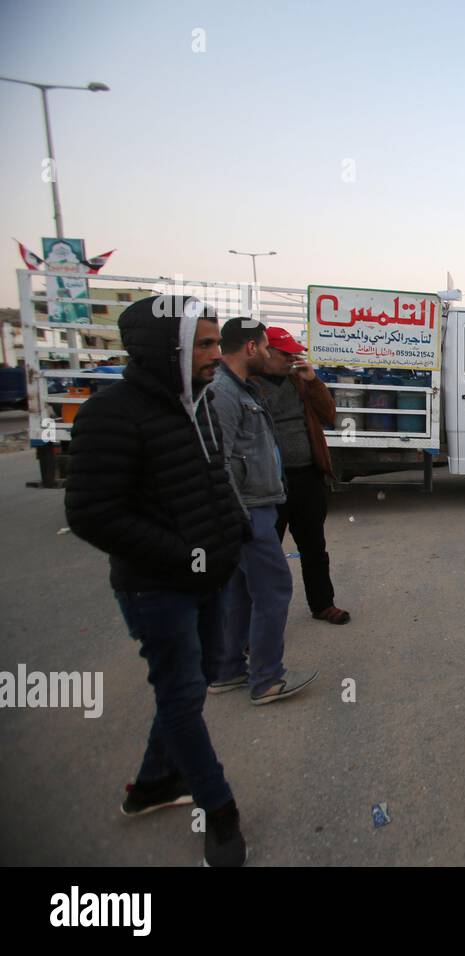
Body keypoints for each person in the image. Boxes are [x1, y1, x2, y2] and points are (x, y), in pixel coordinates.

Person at [64, 295, 248, 866]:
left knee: (195, 680)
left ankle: (152, 785)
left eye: (217, 343)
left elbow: (215, 480)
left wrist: (233, 534)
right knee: (183, 693)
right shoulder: (109, 415)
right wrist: (185, 555)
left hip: (210, 576)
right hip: (156, 588)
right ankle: (219, 812)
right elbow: (92, 513)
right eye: (204, 344)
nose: (216, 356)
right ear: (163, 348)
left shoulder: (198, 405)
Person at [209, 319, 317, 706]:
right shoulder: (223, 393)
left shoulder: (240, 388)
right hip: (247, 509)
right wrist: (234, 516)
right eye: (268, 347)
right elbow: (217, 461)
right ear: (252, 348)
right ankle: (267, 679)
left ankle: (228, 670)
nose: (273, 354)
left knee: (242, 592)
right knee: (273, 591)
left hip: (256, 504)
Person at [253, 327, 350, 624]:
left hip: (307, 477)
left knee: (314, 548)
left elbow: (329, 415)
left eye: (294, 354)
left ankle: (322, 604)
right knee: (263, 556)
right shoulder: (247, 385)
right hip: (269, 484)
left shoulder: (299, 382)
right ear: (264, 352)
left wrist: (314, 381)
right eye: (286, 354)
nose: (292, 359)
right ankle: (257, 621)